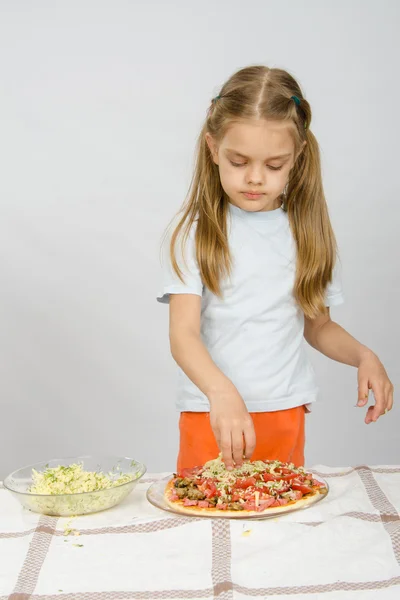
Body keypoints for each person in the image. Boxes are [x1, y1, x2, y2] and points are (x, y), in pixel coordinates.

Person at [157, 65, 393, 472]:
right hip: (213, 414)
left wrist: (363, 355)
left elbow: (318, 326)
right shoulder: (193, 235)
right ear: (213, 148)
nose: (254, 178)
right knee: (206, 521)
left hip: (285, 412)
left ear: (297, 158)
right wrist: (222, 394)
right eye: (239, 160)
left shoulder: (307, 236)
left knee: (279, 522)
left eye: (274, 165)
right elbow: (184, 335)